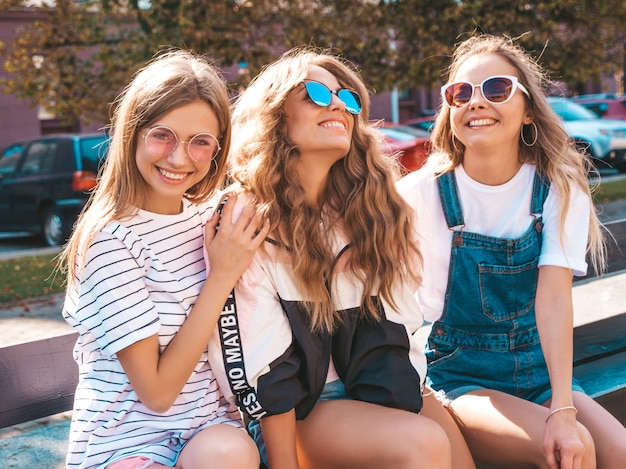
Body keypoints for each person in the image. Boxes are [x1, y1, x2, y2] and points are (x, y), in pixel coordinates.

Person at [208, 47, 476, 469]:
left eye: (348, 98)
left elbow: (397, 335)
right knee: (423, 442)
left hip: (371, 390)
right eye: (316, 92)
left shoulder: (372, 211)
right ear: (275, 115)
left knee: (452, 451)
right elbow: (264, 368)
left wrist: (405, 404)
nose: (337, 103)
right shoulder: (247, 217)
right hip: (295, 412)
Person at [397, 34, 626, 469]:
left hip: (542, 374)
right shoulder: (420, 195)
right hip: (462, 378)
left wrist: (562, 406)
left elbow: (555, 298)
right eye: (460, 93)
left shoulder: (557, 186)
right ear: (449, 112)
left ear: (527, 111)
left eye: (496, 89)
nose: (476, 102)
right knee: (564, 453)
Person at [59, 50, 269, 469]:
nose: (178, 158)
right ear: (132, 133)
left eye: (200, 142)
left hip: (208, 433)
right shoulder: (112, 240)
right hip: (125, 444)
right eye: (162, 135)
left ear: (217, 149)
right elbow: (156, 393)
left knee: (231, 451)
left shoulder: (211, 217)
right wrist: (221, 276)